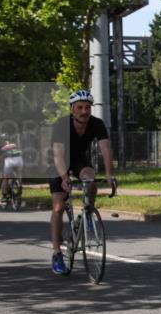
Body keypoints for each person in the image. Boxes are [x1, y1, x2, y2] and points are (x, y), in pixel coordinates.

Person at [50, 89, 117, 275]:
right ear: (72, 109)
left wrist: (110, 175)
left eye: (87, 107)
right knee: (58, 206)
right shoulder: (61, 124)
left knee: (90, 177)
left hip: (78, 158)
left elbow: (106, 150)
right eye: (79, 107)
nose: (84, 111)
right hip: (57, 161)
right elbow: (58, 155)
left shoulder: (97, 124)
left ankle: (87, 213)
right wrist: (64, 179)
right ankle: (56, 253)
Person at [0, 134, 23, 204]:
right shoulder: (15, 145)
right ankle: (19, 184)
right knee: (18, 174)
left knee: (6, 178)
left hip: (9, 162)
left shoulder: (1, 147)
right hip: (19, 160)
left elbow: (0, 157)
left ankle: (4, 196)